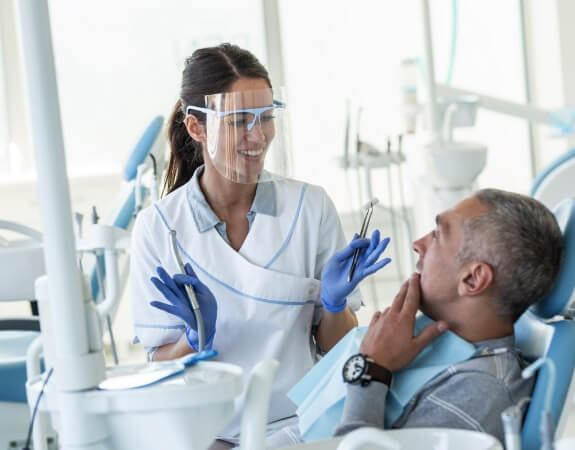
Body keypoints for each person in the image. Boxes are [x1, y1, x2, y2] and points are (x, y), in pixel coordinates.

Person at [130, 43, 391, 448]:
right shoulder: (158, 228)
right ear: (196, 127)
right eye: (238, 121)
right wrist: (194, 341)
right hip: (207, 432)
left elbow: (335, 345)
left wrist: (335, 305)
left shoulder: (310, 207)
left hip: (301, 426)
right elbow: (158, 368)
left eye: (266, 117)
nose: (257, 136)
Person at [333, 189, 564, 444]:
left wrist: (370, 369)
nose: (417, 244)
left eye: (438, 235)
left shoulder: (477, 394)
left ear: (473, 279)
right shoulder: (444, 348)